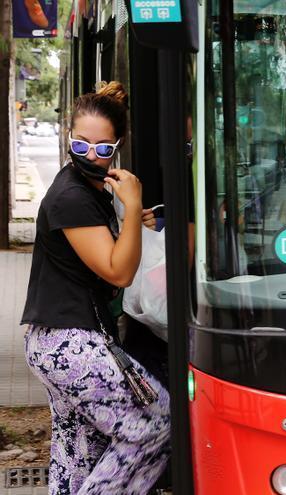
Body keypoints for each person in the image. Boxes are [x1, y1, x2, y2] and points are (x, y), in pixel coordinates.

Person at [20, 81, 170, 494]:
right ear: (68, 135)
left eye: (103, 149)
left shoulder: (90, 190)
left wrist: (129, 222)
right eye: (81, 144)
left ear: (116, 148)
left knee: (79, 450)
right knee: (155, 422)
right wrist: (134, 204)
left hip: (57, 342)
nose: (90, 155)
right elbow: (118, 272)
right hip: (71, 342)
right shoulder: (72, 197)